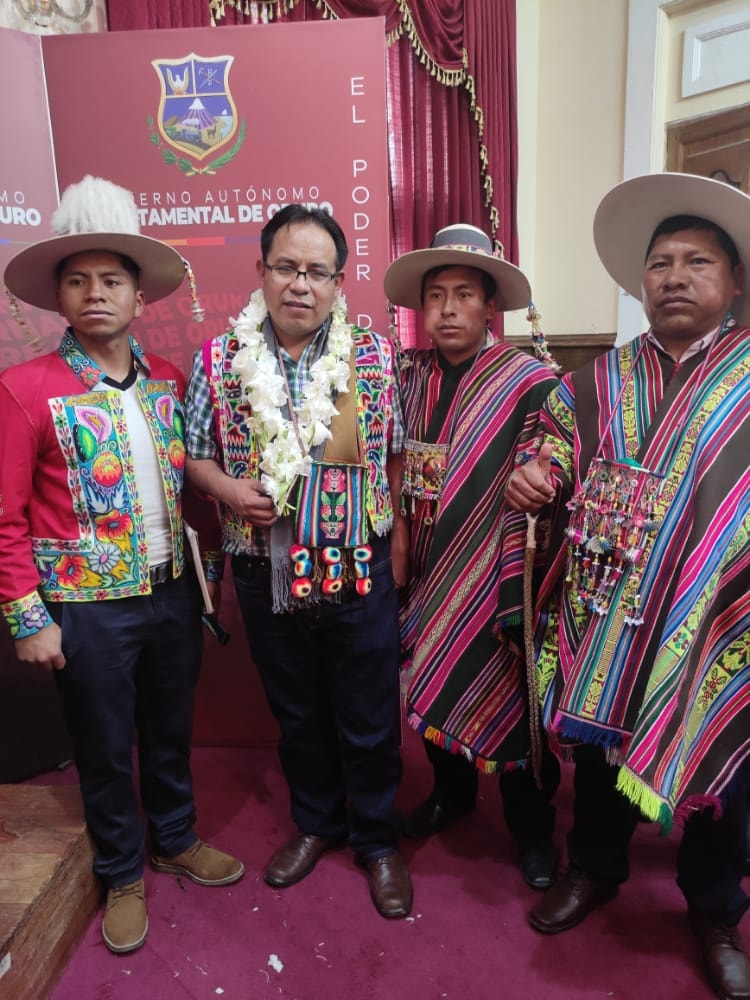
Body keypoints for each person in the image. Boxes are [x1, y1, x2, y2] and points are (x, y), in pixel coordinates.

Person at [505, 172, 750, 1000]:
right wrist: (536, 477)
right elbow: (551, 453)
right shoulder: (593, 382)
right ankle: (595, 867)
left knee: (724, 768)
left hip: (719, 622)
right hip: (604, 610)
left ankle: (715, 910)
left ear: (734, 282)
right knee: (597, 752)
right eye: (660, 263)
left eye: (697, 262)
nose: (674, 277)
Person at [0, 176, 244, 956]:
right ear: (59, 297)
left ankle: (173, 837)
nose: (96, 293)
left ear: (140, 295)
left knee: (170, 730)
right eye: (79, 281)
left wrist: (213, 574)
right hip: (86, 611)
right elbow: (4, 518)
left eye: (111, 280)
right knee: (103, 745)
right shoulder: (24, 390)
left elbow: (196, 492)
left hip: (171, 595)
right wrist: (28, 620)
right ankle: (120, 872)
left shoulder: (170, 381)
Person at [185, 204, 412, 919]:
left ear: (339, 282)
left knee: (369, 714)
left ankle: (377, 841)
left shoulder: (374, 356)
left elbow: (395, 456)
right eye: (286, 267)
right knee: (297, 711)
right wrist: (227, 489)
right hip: (263, 572)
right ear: (261, 271)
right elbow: (195, 456)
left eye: (317, 271)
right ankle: (317, 822)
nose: (300, 284)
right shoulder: (218, 361)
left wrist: (397, 543)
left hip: (359, 566)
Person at [383, 224, 561, 888]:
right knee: (433, 680)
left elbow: (556, 456)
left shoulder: (530, 380)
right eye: (436, 296)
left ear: (490, 306)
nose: (448, 309)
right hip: (424, 570)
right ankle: (452, 795)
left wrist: (543, 474)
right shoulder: (405, 377)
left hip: (497, 576)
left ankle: (533, 829)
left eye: (464, 295)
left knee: (513, 702)